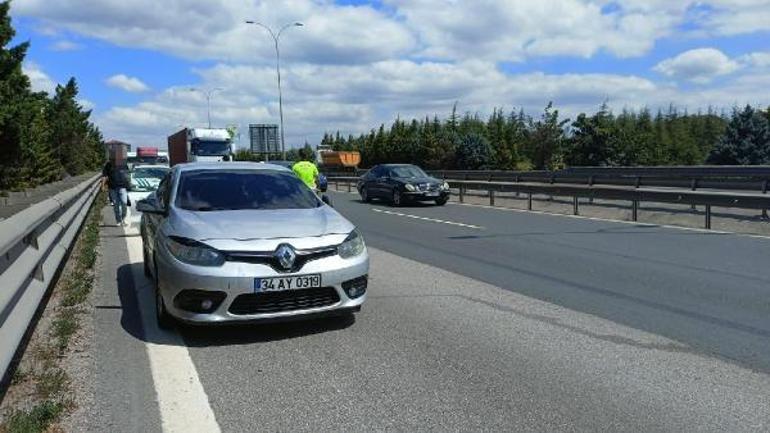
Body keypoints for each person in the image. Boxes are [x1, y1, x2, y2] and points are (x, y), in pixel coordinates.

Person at [102, 160, 130, 226]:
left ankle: (124, 218)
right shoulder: (108, 165)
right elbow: (105, 176)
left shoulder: (124, 164)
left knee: (124, 202)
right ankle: (118, 221)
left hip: (122, 187)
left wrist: (129, 185)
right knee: (116, 205)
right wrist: (103, 186)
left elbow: (127, 175)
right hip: (112, 188)